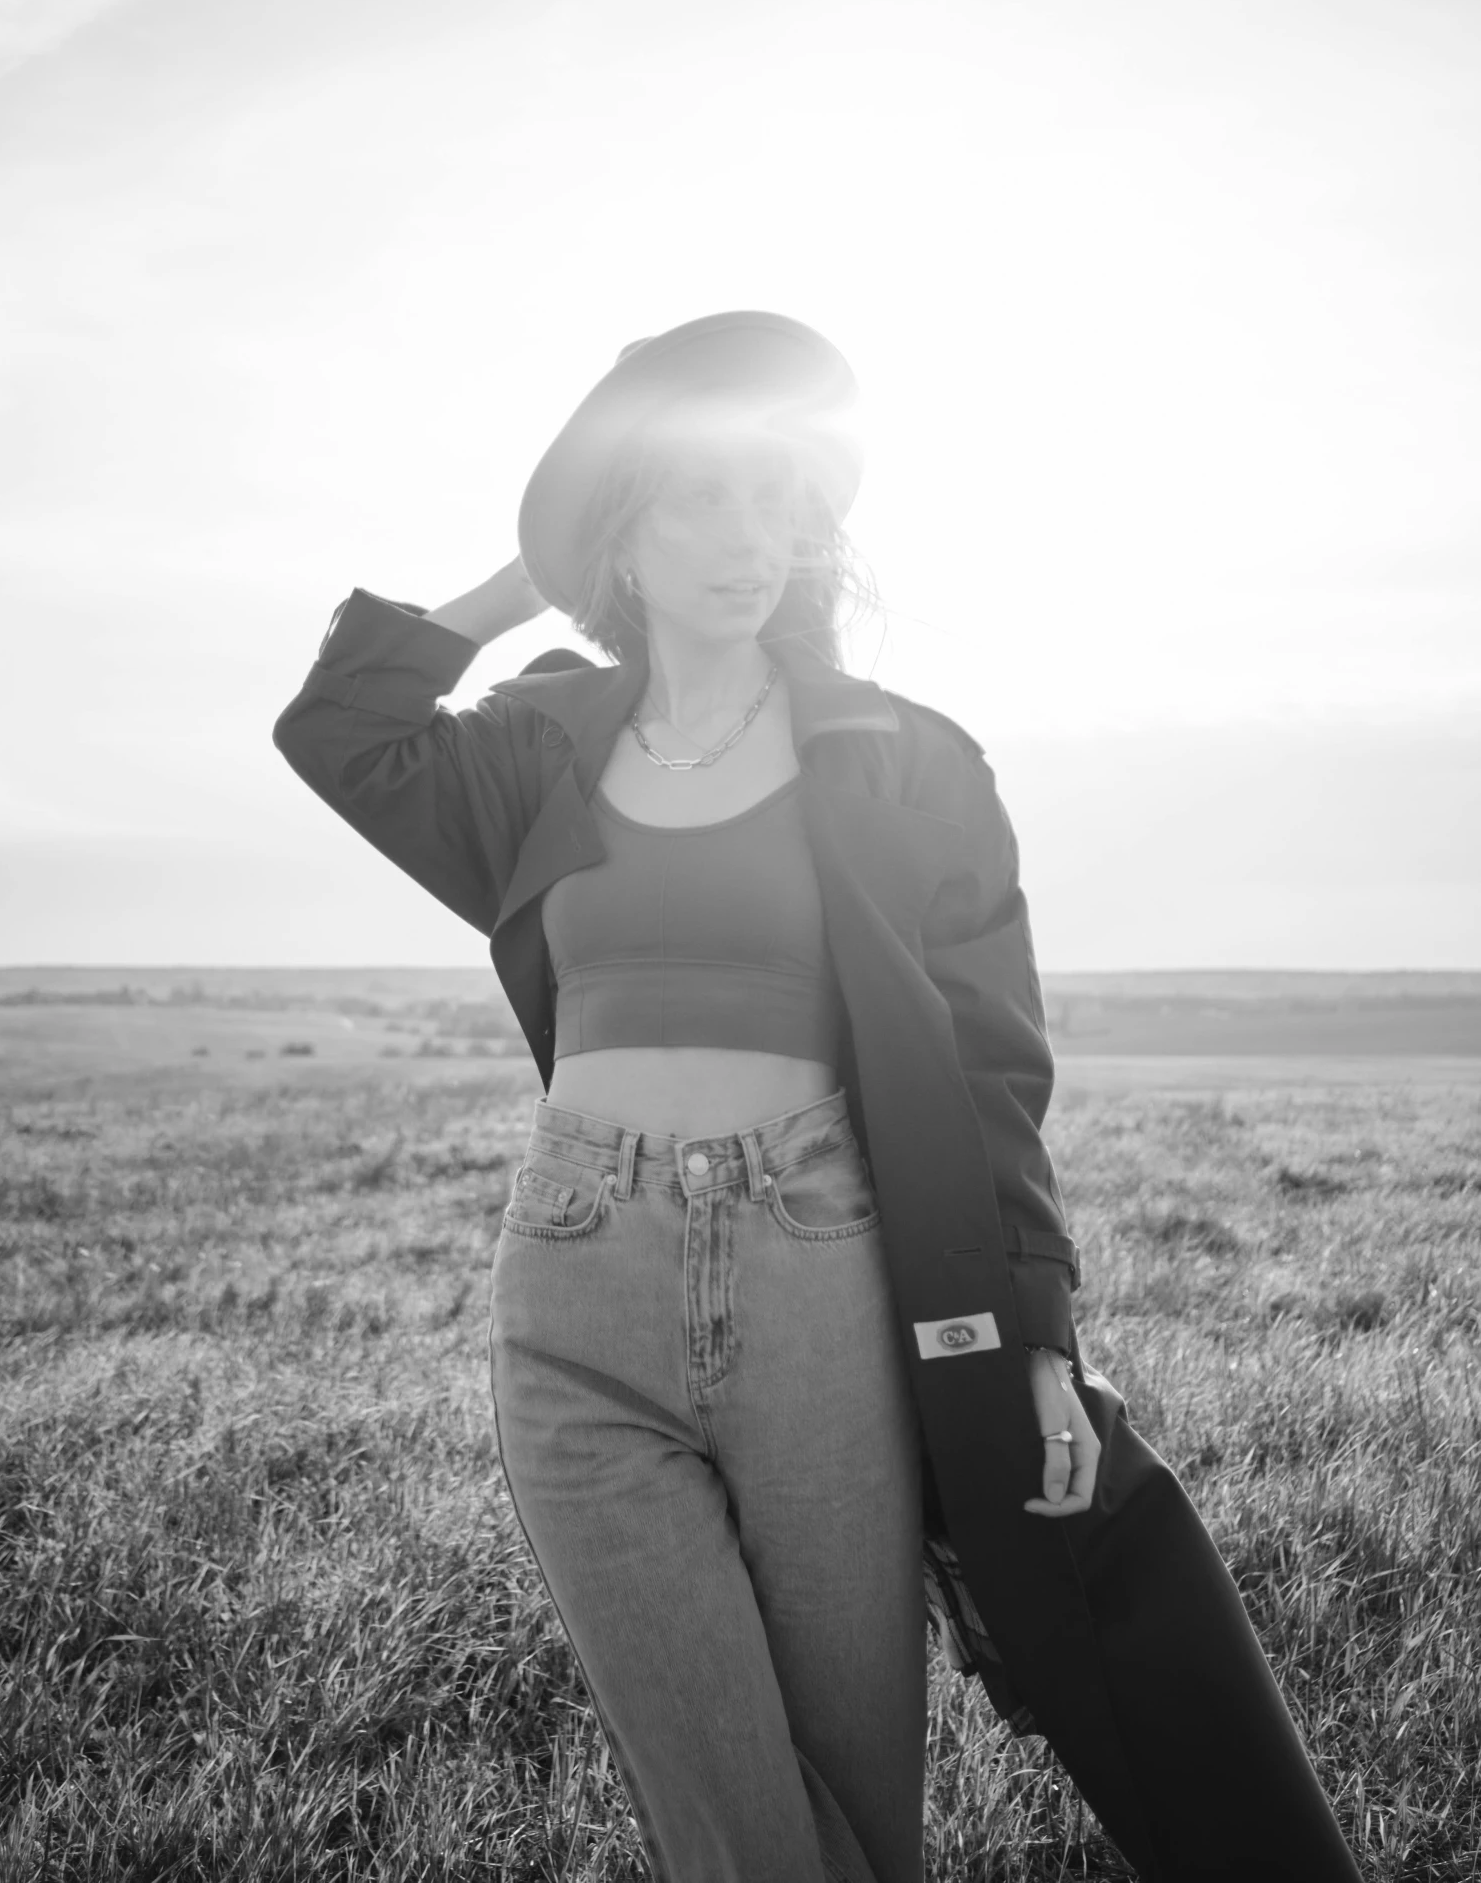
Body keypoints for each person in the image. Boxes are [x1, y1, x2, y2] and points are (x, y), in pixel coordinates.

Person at [273, 312, 1361, 1883]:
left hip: (821, 1282)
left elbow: (994, 1067)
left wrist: (1039, 1337)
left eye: (776, 501)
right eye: (698, 500)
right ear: (626, 532)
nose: (748, 540)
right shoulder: (535, 744)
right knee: (730, 1817)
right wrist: (540, 560)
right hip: (581, 1291)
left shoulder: (906, 763)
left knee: (862, 1797)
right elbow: (339, 728)